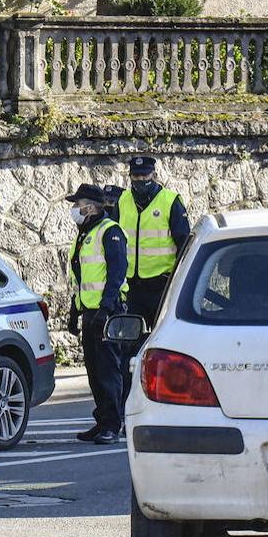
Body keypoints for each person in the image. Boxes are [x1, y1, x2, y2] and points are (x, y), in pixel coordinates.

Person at [115, 156, 190, 403]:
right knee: (129, 348)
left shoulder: (170, 202)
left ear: (154, 175)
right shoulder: (123, 201)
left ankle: (166, 399)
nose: (140, 181)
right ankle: (131, 402)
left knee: (164, 344)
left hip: (162, 286)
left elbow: (184, 245)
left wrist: (176, 280)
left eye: (145, 176)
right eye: (136, 177)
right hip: (133, 287)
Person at [66, 183, 129, 446]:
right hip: (90, 312)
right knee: (93, 371)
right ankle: (102, 420)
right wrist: (74, 310)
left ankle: (113, 425)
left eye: (78, 205)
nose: (74, 210)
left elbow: (117, 273)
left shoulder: (110, 232)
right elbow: (81, 277)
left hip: (108, 312)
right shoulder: (85, 233)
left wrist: (105, 308)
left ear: (90, 207)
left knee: (108, 371)